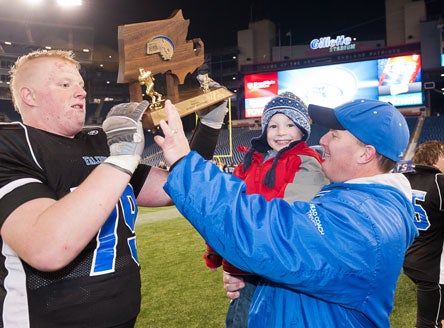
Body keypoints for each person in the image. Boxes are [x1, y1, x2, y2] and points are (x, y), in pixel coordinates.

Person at [0, 49, 227, 327]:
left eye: (81, 85)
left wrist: (209, 126)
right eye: (64, 84)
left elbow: (176, 188)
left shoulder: (97, 143)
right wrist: (121, 158)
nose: (81, 93)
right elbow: (47, 248)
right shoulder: (12, 145)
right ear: (29, 96)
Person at [154, 98, 419, 327]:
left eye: (335, 135)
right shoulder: (359, 203)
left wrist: (184, 163)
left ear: (366, 154)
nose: (322, 139)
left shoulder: (363, 222)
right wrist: (245, 272)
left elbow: (268, 234)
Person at [202, 92, 328, 328]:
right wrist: (221, 257)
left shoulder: (306, 161)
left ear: (303, 128)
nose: (281, 132)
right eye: (273, 125)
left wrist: (236, 251)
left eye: (290, 124)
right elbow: (225, 210)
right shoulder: (248, 164)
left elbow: (285, 220)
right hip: (247, 267)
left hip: (276, 269)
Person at [402, 140, 444, 328]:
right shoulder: (439, 181)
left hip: (412, 257)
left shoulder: (405, 179)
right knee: (430, 321)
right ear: (436, 157)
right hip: (435, 268)